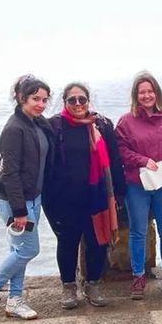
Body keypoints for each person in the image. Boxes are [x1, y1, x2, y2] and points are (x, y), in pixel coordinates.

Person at [0, 75, 53, 320]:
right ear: (21, 98)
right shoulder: (14, 129)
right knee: (29, 250)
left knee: (18, 249)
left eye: (44, 100)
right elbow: (10, 172)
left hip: (33, 197)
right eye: (35, 99)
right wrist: (19, 210)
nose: (40, 104)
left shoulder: (36, 123)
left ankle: (15, 301)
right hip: (15, 201)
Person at [43, 82, 126, 309]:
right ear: (65, 102)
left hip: (97, 196)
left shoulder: (102, 125)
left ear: (88, 101)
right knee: (67, 242)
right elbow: (41, 159)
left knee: (98, 241)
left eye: (82, 99)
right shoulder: (54, 126)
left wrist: (118, 193)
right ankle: (68, 286)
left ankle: (93, 284)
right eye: (72, 100)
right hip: (64, 198)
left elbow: (115, 160)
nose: (78, 104)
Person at [116, 72, 162, 300]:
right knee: (138, 231)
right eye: (142, 92)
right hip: (137, 185)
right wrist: (142, 160)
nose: (146, 95)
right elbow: (120, 149)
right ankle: (138, 276)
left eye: (150, 91)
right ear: (136, 96)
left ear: (156, 93)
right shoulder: (126, 121)